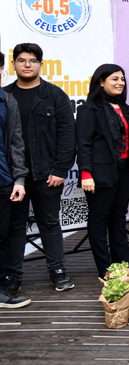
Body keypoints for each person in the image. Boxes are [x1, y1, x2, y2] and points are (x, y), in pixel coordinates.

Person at [3, 43, 76, 292]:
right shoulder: (4, 96)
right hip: (13, 176)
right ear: (13, 64)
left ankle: (58, 271)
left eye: (32, 60)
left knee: (49, 223)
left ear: (40, 65)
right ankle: (12, 276)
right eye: (22, 60)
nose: (27, 64)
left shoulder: (54, 95)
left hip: (47, 175)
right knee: (14, 226)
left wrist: (59, 170)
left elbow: (68, 135)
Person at [77, 64, 129, 278]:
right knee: (99, 220)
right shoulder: (89, 109)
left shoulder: (123, 107)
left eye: (122, 79)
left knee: (119, 216)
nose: (120, 83)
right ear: (101, 82)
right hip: (99, 173)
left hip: (123, 170)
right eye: (114, 79)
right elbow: (83, 144)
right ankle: (105, 269)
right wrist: (86, 173)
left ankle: (123, 262)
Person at [0, 50, 31, 308]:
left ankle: (2, 291)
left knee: (3, 237)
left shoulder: (7, 101)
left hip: (3, 180)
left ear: (1, 70)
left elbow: (16, 144)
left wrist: (19, 179)